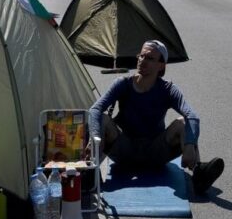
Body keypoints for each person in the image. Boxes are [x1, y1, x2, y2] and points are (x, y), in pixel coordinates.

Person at [88, 40, 224, 195]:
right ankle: (91, 171)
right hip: (124, 150)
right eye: (141, 56)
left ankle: (199, 173)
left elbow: (192, 116)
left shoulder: (167, 89)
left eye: (150, 58)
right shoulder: (122, 84)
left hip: (155, 152)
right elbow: (95, 109)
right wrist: (95, 138)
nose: (142, 61)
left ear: (161, 66)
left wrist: (189, 145)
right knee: (102, 119)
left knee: (182, 123)